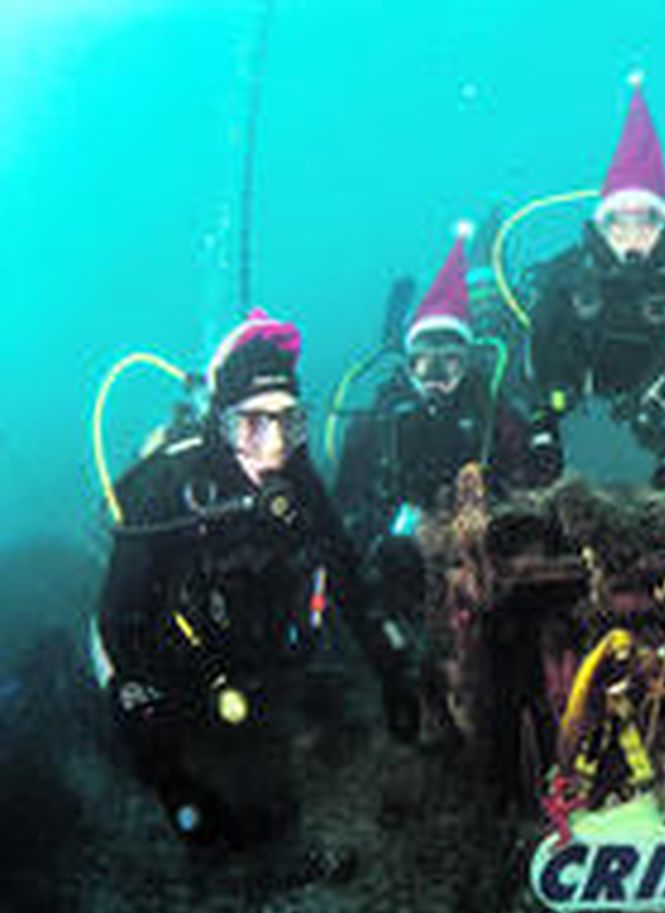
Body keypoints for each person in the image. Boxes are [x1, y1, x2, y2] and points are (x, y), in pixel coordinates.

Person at [94, 310, 417, 846]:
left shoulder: (299, 479)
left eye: (288, 421)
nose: (273, 446)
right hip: (180, 669)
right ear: (221, 426)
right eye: (252, 423)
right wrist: (170, 782)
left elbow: (347, 577)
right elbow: (113, 627)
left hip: (258, 662)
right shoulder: (169, 490)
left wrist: (392, 674)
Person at [515, 74, 665, 489]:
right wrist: (542, 428)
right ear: (600, 225)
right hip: (579, 386)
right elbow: (537, 353)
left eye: (646, 220)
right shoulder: (569, 276)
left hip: (649, 401)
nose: (630, 237)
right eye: (617, 222)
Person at [334, 223, 533, 552]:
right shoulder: (375, 425)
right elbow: (344, 507)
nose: (436, 377)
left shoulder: (494, 414)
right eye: (424, 363)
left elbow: (529, 482)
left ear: (468, 363)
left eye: (450, 361)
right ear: (407, 364)